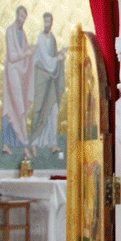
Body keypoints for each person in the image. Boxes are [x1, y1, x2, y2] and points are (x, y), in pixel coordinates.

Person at [2, 5, 37, 159]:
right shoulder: (10, 31)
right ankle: (24, 146)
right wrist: (26, 53)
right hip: (12, 73)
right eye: (21, 16)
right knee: (17, 108)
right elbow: (12, 56)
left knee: (16, 108)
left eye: (25, 17)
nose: (23, 20)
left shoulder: (22, 33)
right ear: (17, 15)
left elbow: (24, 52)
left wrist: (31, 50)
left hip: (19, 73)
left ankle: (7, 144)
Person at [30, 12, 68, 154]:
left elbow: (51, 56)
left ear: (52, 23)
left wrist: (60, 54)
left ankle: (52, 143)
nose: (47, 24)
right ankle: (34, 143)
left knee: (53, 110)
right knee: (39, 109)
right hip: (42, 78)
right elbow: (45, 58)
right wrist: (57, 59)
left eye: (49, 22)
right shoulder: (41, 38)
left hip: (51, 80)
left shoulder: (52, 38)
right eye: (45, 22)